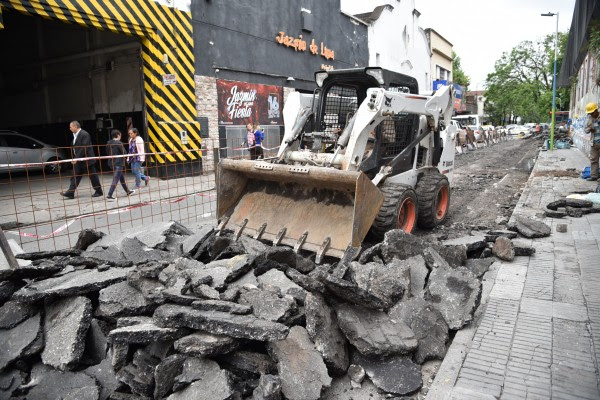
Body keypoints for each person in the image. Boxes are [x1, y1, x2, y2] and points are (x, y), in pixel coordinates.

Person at [61, 121, 103, 199]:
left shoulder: (84, 134)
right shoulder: (75, 135)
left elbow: (84, 147)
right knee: (75, 176)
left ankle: (99, 191)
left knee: (93, 176)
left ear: (75, 126)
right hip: (79, 160)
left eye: (71, 127)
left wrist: (76, 158)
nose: (70, 129)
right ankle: (70, 192)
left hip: (87, 160)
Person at [106, 129, 135, 200]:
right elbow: (124, 153)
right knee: (115, 179)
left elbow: (107, 152)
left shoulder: (108, 143)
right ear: (118, 135)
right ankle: (109, 195)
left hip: (111, 163)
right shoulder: (119, 143)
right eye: (120, 135)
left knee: (121, 178)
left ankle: (128, 191)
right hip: (118, 163)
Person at [585, 102, 600, 182]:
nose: (591, 114)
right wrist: (589, 129)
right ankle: (594, 176)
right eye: (589, 113)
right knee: (593, 160)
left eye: (592, 113)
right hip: (593, 143)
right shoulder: (589, 119)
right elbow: (585, 130)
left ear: (596, 110)